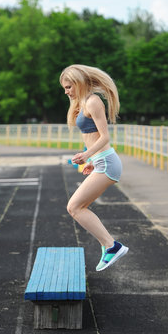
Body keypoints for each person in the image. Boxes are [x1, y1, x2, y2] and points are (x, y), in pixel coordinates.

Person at [60, 64, 129, 271]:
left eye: (69, 86)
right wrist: (91, 161)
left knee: (75, 207)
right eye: (64, 88)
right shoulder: (83, 103)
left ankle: (111, 246)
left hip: (108, 162)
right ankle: (109, 246)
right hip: (100, 161)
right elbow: (93, 138)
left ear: (79, 83)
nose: (66, 91)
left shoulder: (93, 101)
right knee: (77, 207)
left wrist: (86, 155)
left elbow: (105, 136)